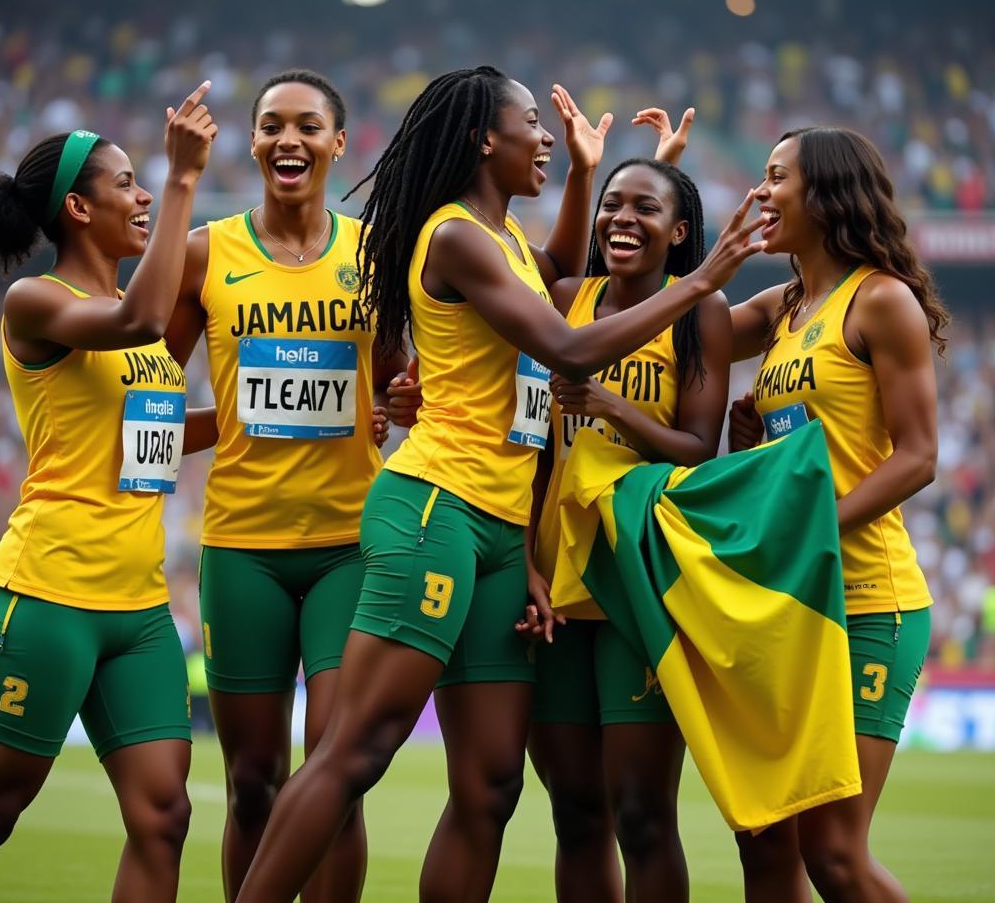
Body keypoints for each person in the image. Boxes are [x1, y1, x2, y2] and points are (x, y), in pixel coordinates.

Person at [235, 64, 764, 903]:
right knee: (356, 750)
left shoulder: (510, 243)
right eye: (532, 123)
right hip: (434, 509)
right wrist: (701, 279)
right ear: (487, 139)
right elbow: (572, 348)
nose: (546, 136)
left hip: (498, 534)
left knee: (491, 787)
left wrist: (595, 175)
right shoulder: (455, 237)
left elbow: (567, 272)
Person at [163, 69, 406, 903]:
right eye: (271, 125)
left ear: (339, 143)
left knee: (335, 776)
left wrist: (397, 399)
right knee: (253, 782)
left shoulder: (377, 255)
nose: (287, 140)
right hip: (242, 550)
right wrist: (222, 423)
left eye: (308, 126)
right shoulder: (206, 251)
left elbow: (400, 378)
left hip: (349, 545)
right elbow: (150, 387)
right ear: (253, 140)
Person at [0, 84, 218, 901]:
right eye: (127, 184)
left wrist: (265, 416)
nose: (144, 194)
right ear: (77, 207)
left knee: (164, 817)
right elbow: (146, 323)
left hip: (140, 610)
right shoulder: (38, 303)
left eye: (148, 183)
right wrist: (183, 179)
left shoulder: (122, 310)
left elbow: (149, 439)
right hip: (49, 592)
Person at [728, 127, 947, 903]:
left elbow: (918, 457)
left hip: (866, 602)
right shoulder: (784, 306)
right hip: (795, 605)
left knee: (832, 851)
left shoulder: (879, 300)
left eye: (776, 176)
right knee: (764, 840)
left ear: (825, 194)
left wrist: (814, 531)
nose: (760, 191)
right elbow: (683, 342)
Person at [523, 152, 731, 903]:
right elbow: (528, 453)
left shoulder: (698, 309)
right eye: (613, 204)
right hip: (552, 578)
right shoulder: (564, 300)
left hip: (637, 578)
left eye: (646, 208)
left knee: (642, 816)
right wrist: (526, 564)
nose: (622, 219)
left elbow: (700, 451)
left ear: (679, 231)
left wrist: (615, 408)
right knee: (575, 813)